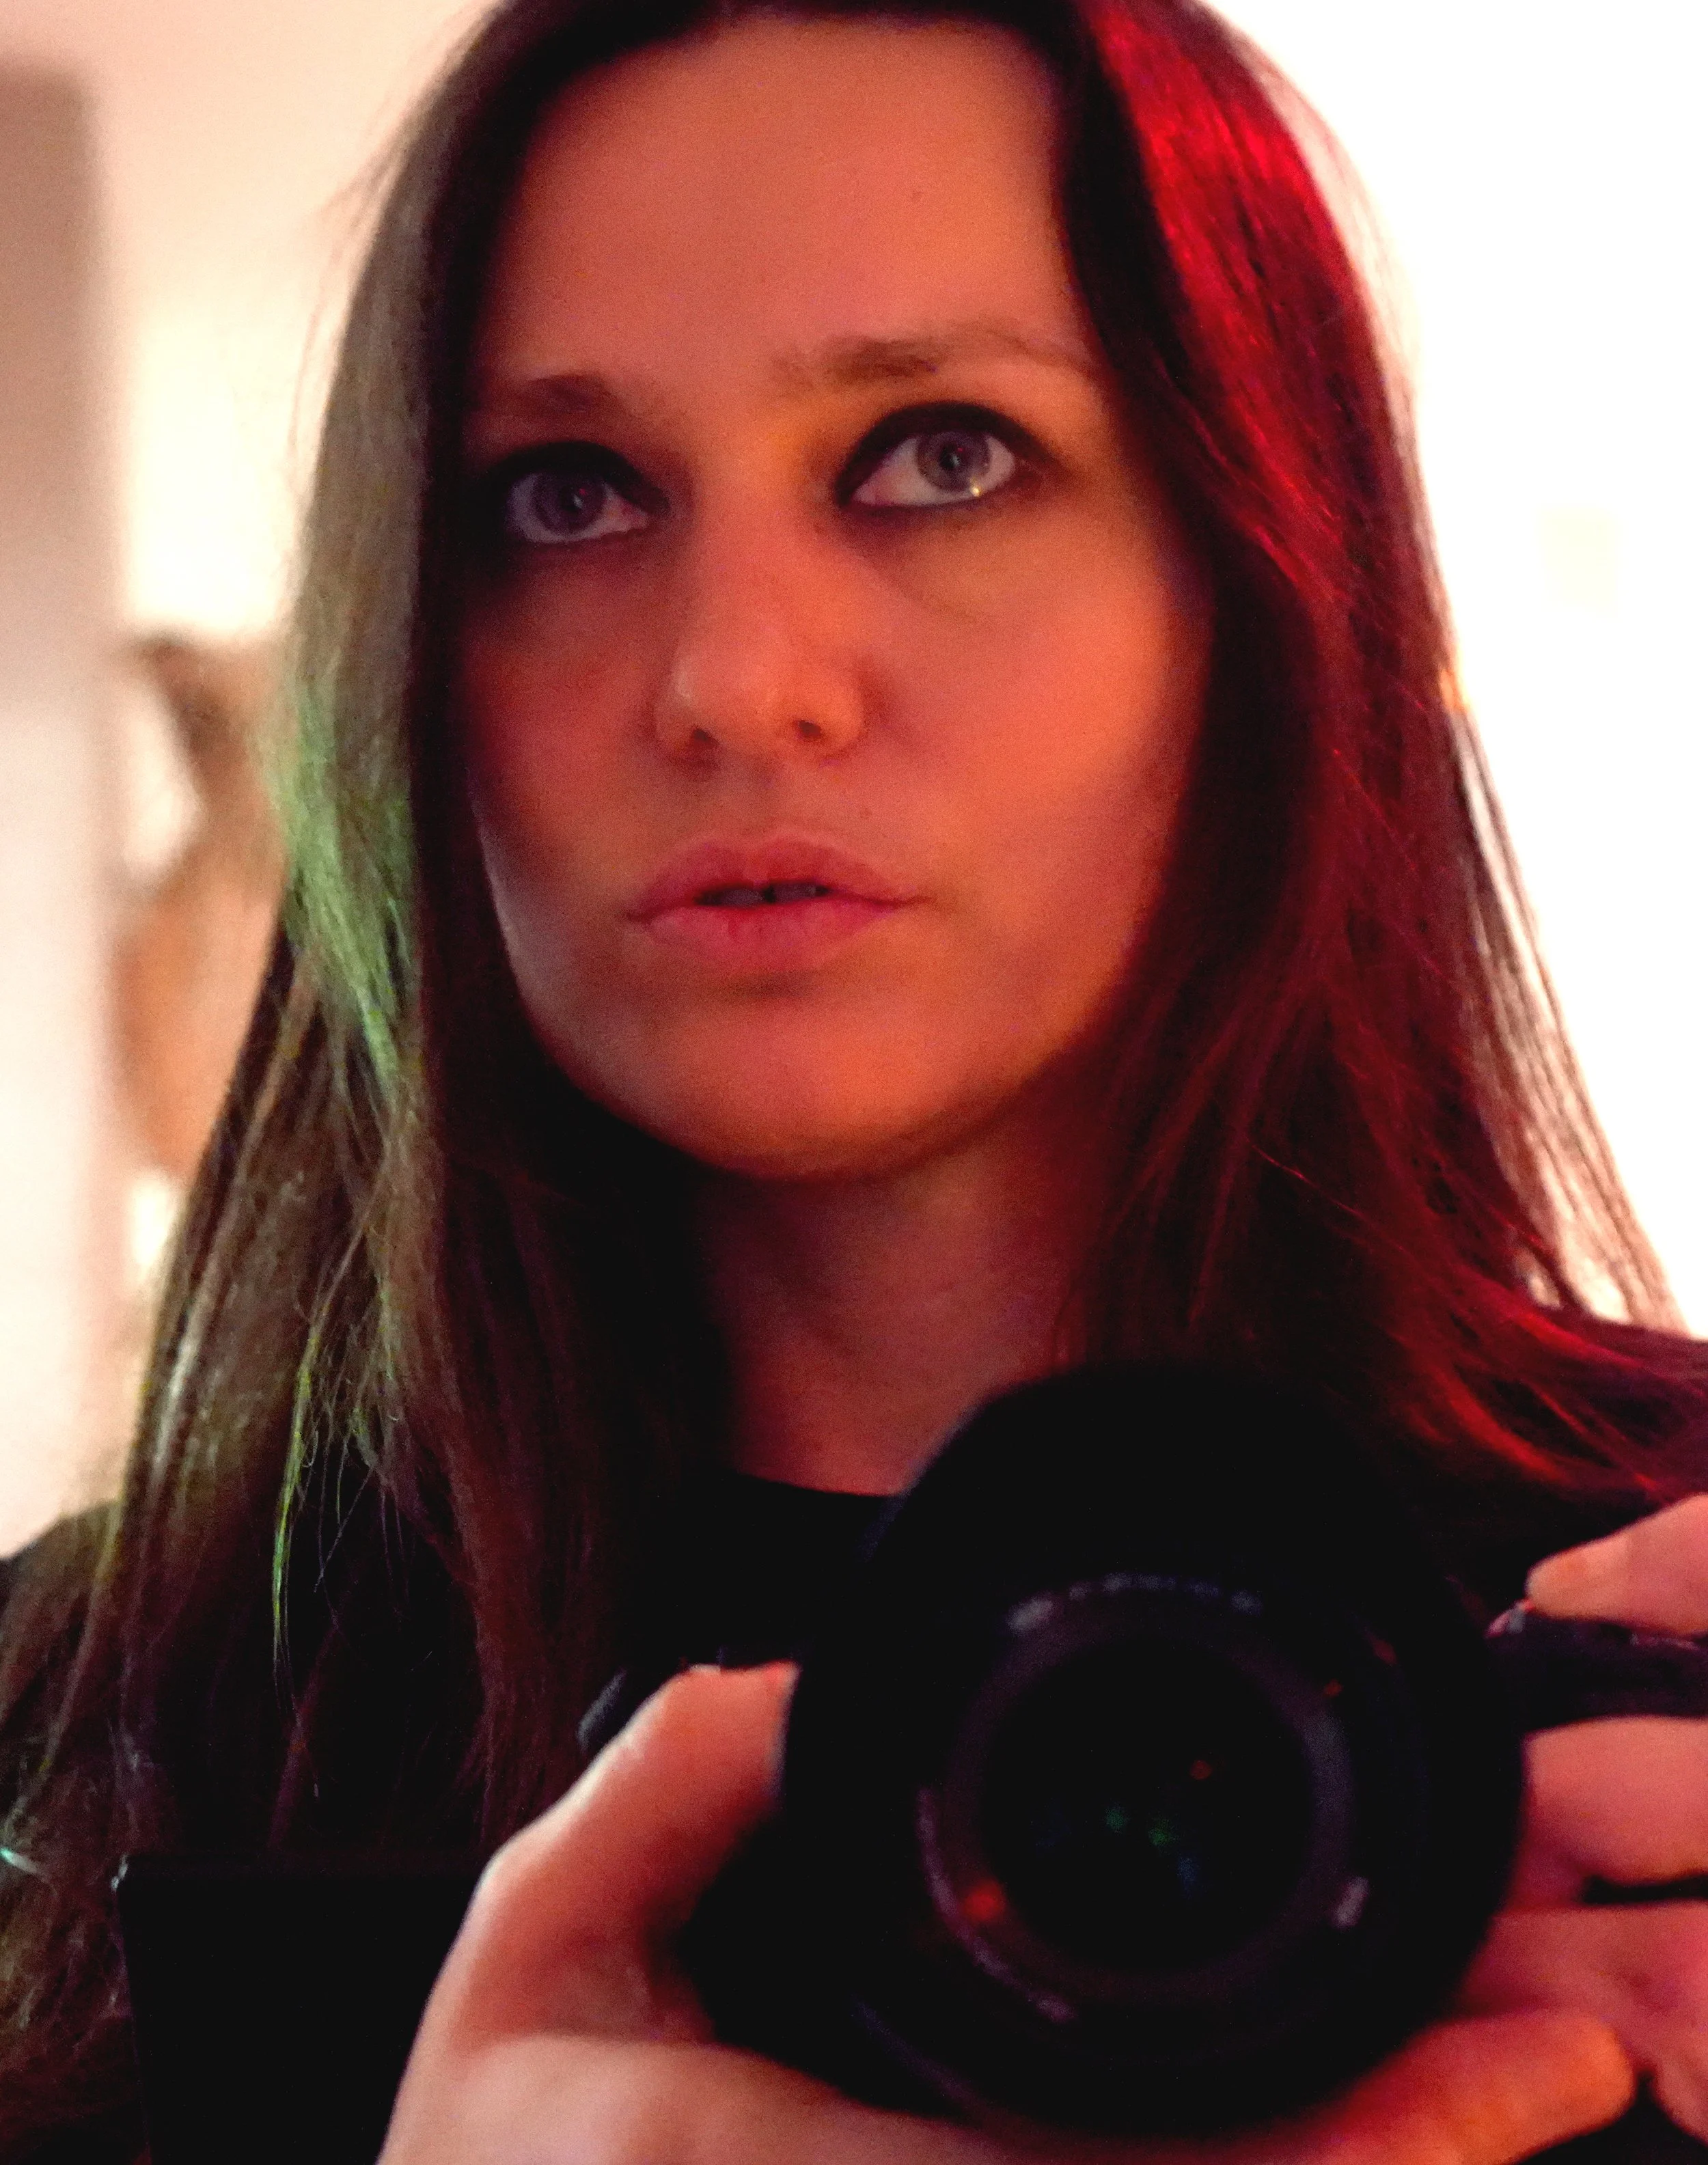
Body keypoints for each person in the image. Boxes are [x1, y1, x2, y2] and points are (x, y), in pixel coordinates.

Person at [3, 0, 1707, 2157]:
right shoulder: (70, 1731)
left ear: (1265, 595)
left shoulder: (1671, 1591)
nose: (732, 683)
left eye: (939, 454)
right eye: (566, 493)